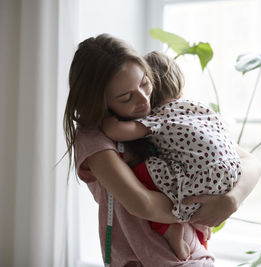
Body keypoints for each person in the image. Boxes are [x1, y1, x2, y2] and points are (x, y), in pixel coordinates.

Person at [63, 33, 261, 267]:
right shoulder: (94, 139)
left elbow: (251, 163)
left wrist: (231, 200)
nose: (144, 100)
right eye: (126, 97)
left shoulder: (160, 114)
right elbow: (143, 203)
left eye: (144, 82)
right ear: (99, 102)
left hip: (196, 258)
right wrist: (199, 211)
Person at [101, 51, 242, 260]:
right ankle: (200, 224)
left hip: (202, 180)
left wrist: (106, 121)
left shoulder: (159, 117)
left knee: (139, 171)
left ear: (152, 87)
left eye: (143, 85)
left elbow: (117, 132)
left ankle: (170, 229)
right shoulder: (198, 107)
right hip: (232, 173)